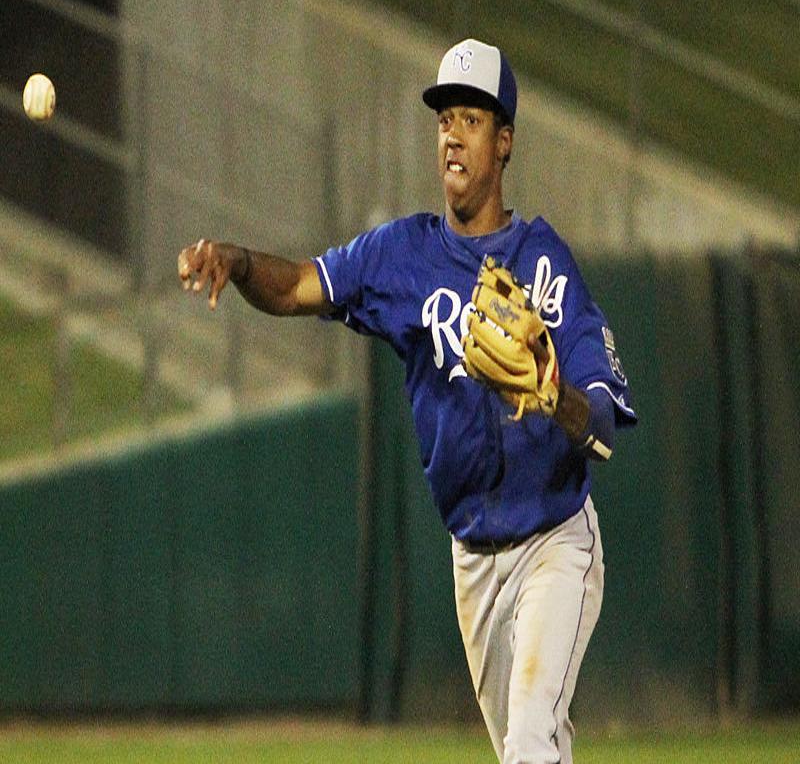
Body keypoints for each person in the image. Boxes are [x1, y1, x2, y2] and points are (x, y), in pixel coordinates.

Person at [178, 38, 637, 764]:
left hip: (557, 542)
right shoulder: (403, 256)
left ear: (505, 140)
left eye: (473, 119)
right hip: (473, 562)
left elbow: (606, 422)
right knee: (533, 746)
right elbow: (300, 286)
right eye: (444, 119)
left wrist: (553, 395)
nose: (452, 134)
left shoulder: (546, 265)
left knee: (530, 745)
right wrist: (234, 262)